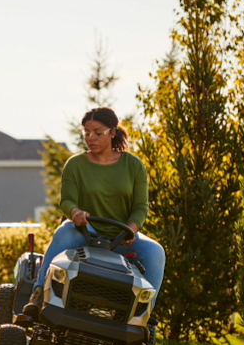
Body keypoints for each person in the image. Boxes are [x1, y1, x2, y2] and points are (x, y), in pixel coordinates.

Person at [24, 107, 165, 319]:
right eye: (87, 133)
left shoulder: (133, 166)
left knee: (156, 252)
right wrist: (75, 212)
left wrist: (131, 230)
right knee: (64, 232)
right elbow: (67, 200)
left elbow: (140, 208)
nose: (91, 138)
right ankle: (39, 293)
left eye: (98, 133)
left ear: (113, 132)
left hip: (122, 236)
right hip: (85, 231)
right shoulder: (76, 164)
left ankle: (145, 312)